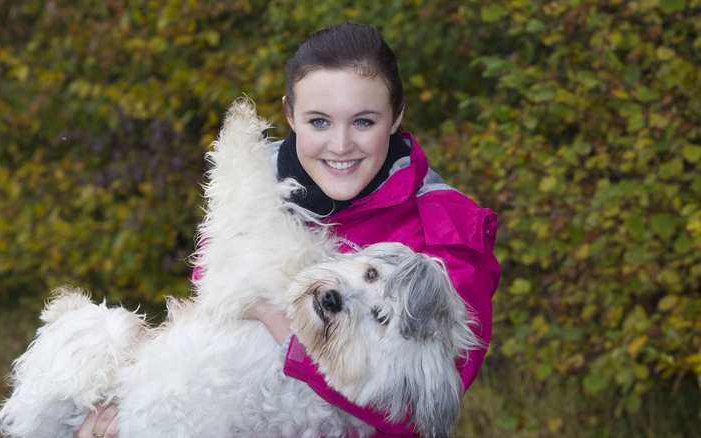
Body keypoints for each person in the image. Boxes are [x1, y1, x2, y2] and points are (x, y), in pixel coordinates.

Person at [78, 22, 500, 438]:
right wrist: (138, 405)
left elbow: (416, 414)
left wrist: (275, 318)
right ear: (289, 114)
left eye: (363, 122)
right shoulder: (252, 189)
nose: (339, 145)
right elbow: (208, 324)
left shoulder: (446, 237)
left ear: (396, 116)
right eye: (319, 121)